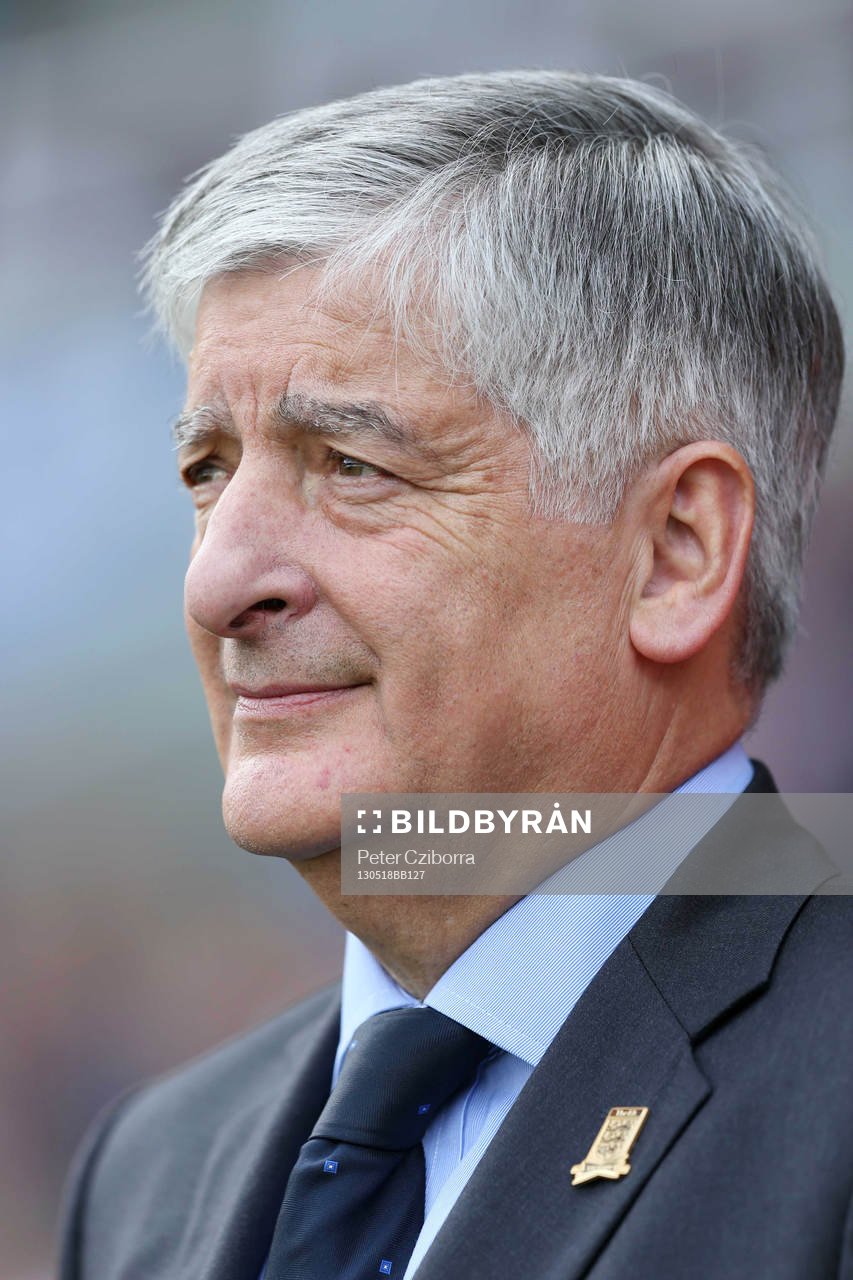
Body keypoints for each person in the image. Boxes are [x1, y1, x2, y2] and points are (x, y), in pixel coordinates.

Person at [59, 71, 851, 1279]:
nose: (218, 581)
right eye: (207, 472)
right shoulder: (153, 1167)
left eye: (352, 463)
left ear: (677, 552)